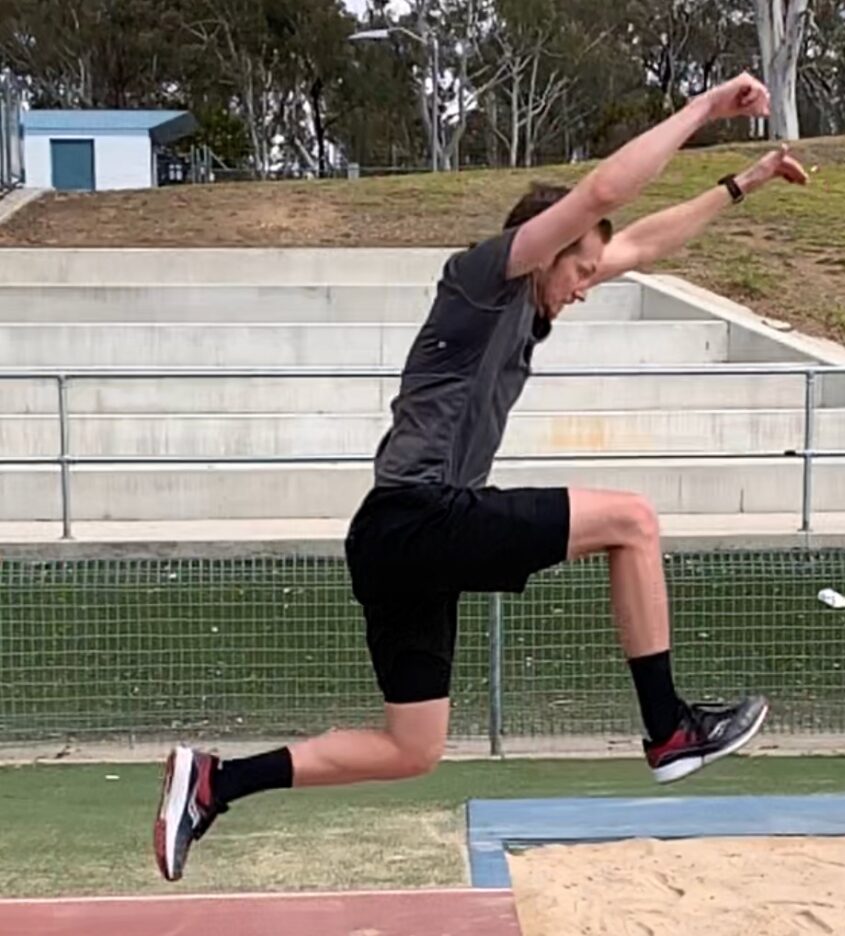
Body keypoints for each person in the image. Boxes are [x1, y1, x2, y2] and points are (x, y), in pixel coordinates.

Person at [154, 71, 809, 882]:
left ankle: (215, 782)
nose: (586, 289)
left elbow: (641, 241)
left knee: (412, 747)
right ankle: (668, 726)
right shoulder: (480, 276)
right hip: (416, 514)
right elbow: (604, 189)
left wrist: (741, 183)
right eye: (580, 271)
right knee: (633, 520)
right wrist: (708, 108)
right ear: (543, 244)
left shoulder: (536, 303)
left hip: (394, 541)